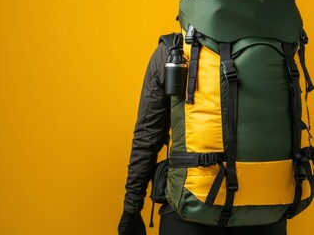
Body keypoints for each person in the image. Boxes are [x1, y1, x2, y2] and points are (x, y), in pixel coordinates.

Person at [117, 41, 288, 235]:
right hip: (269, 210)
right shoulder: (282, 49)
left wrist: (132, 207)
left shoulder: (174, 49)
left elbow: (147, 137)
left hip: (189, 211)